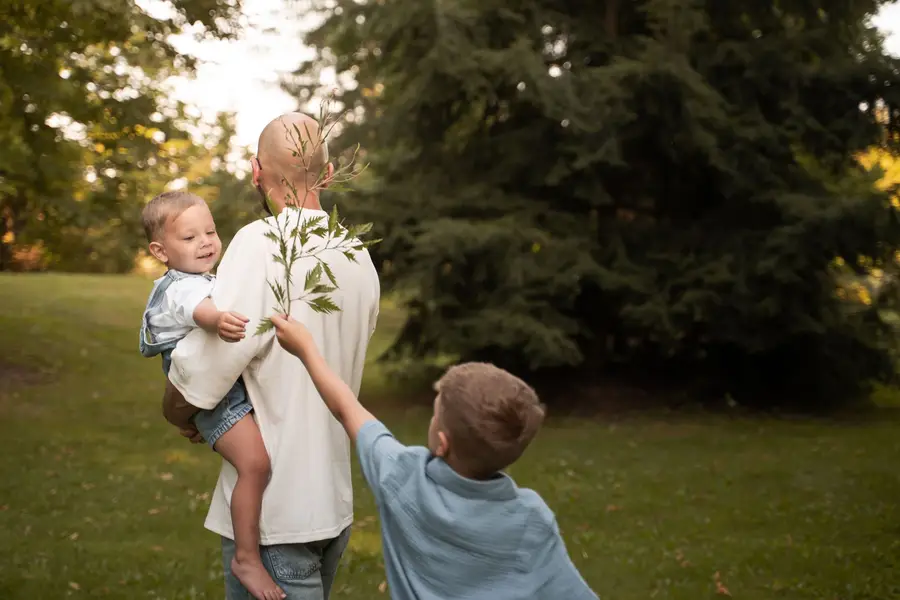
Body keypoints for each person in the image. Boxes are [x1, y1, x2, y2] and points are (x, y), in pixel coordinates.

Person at [162, 112, 380, 600]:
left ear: (256, 171)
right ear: (325, 175)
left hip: (274, 516)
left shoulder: (263, 242)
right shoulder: (357, 253)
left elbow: (211, 364)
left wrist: (177, 412)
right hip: (331, 505)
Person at [268, 314, 600, 600]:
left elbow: (346, 408)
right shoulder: (532, 519)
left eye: (435, 414)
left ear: (442, 443)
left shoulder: (404, 479)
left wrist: (306, 349)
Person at [139, 191, 284, 600]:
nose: (206, 242)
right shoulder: (179, 288)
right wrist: (218, 319)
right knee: (255, 464)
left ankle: (247, 553)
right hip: (215, 395)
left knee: (255, 460)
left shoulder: (203, 279)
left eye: (210, 231)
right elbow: (197, 310)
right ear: (160, 251)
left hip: (221, 390)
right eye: (189, 237)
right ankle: (247, 558)